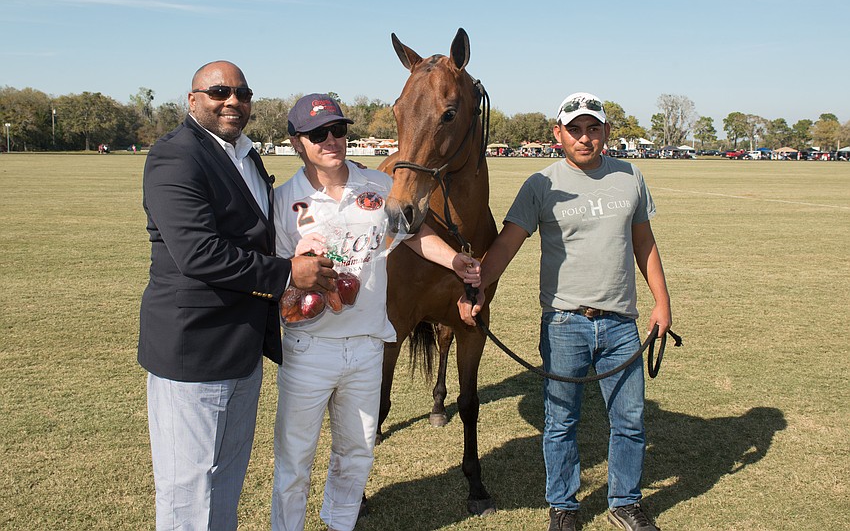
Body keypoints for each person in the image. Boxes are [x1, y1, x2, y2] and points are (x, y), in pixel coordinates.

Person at [460, 92, 672, 531]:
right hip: (564, 323)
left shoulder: (630, 177)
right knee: (560, 422)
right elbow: (506, 243)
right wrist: (478, 288)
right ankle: (563, 506)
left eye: (593, 128)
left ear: (606, 133)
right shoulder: (540, 184)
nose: (584, 137)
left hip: (621, 324)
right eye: (574, 129)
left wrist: (662, 303)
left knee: (629, 420)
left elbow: (644, 243)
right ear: (558, 134)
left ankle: (625, 502)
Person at [139, 62, 337, 531]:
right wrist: (289, 273)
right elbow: (198, 253)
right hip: (195, 347)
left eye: (242, 92)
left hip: (243, 344)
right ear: (192, 99)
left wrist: (299, 246)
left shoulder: (245, 154)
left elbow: (253, 234)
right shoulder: (176, 155)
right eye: (219, 91)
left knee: (226, 475)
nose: (232, 101)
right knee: (187, 488)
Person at [271, 93, 481, 531]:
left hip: (368, 344)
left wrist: (454, 261)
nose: (330, 140)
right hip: (310, 347)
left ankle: (340, 525)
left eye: (338, 130)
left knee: (355, 455)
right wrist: (295, 270)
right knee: (295, 460)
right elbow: (272, 274)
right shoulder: (282, 199)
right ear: (297, 141)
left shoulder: (379, 186)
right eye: (317, 133)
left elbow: (413, 234)